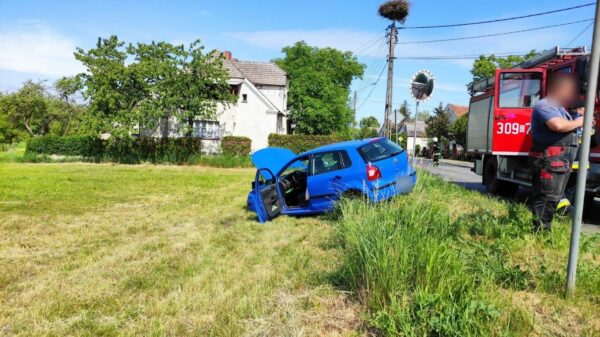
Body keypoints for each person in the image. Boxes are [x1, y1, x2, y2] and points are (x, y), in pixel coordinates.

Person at [529, 74, 585, 231]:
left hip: (559, 162)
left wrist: (576, 116)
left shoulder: (560, 109)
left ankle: (543, 231)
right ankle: (540, 233)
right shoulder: (544, 105)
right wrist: (580, 121)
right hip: (549, 161)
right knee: (546, 199)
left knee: (553, 199)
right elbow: (558, 126)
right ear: (558, 89)